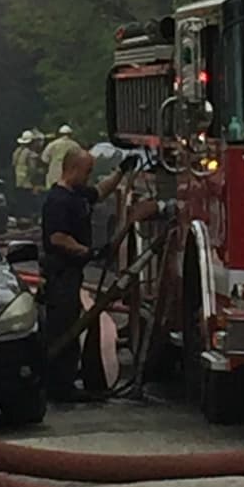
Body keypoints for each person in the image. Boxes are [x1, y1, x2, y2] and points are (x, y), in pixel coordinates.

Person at [40, 148, 160, 403]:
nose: (89, 176)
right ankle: (59, 386)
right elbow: (58, 238)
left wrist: (121, 171)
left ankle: (67, 382)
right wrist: (90, 252)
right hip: (60, 274)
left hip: (72, 273)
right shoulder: (58, 201)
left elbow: (100, 192)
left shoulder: (77, 193)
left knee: (76, 322)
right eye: (87, 171)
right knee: (65, 328)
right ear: (72, 169)